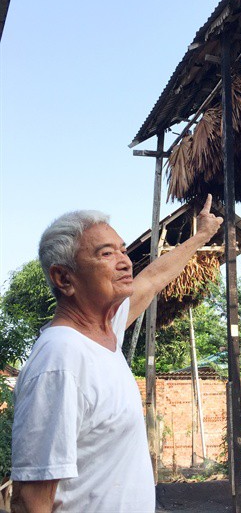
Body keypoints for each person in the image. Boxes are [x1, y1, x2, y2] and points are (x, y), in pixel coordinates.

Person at [10, 195, 223, 513]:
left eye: (122, 250)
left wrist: (201, 236)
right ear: (64, 278)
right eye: (106, 254)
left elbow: (152, 279)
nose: (125, 261)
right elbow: (31, 501)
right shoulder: (62, 359)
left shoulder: (106, 331)